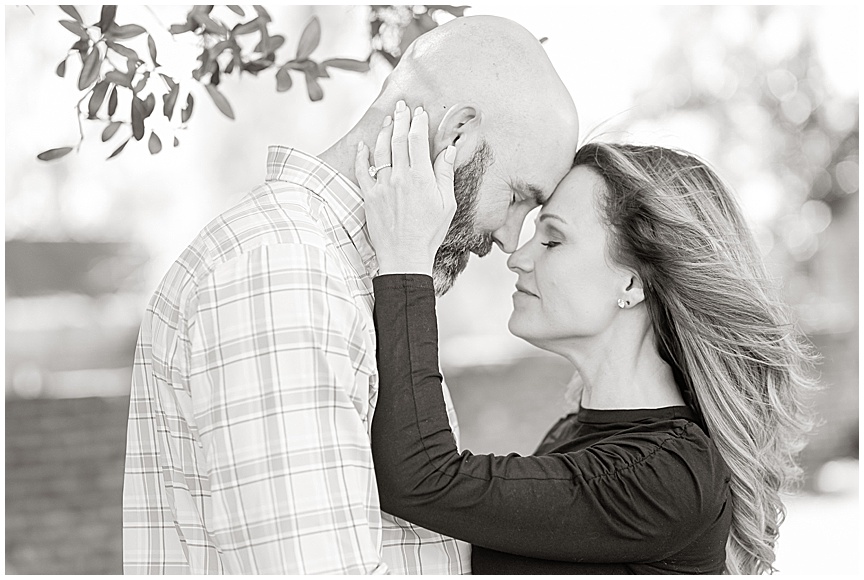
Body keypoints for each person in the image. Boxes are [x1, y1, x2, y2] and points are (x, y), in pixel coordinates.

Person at [121, 14, 579, 574]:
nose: (511, 239)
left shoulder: (341, 272)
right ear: (456, 135)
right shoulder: (283, 269)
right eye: (516, 198)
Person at [359, 109, 815, 574]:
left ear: (633, 285)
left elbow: (424, 476)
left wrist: (406, 260)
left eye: (553, 241)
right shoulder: (575, 435)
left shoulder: (668, 477)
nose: (517, 257)